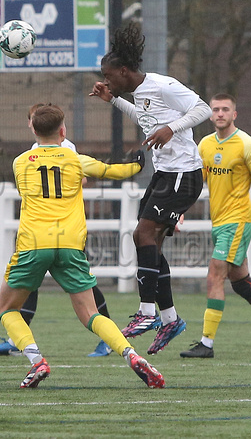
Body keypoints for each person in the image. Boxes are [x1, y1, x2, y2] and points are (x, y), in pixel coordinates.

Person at [0, 103, 164, 388]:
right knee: (91, 314)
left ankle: (37, 361)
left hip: (34, 243)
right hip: (70, 244)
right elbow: (110, 171)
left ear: (33, 129)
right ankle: (130, 354)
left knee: (7, 309)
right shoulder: (75, 159)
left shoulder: (20, 162)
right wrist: (137, 163)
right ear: (63, 131)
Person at [89, 22, 212, 355]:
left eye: (109, 76)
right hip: (165, 174)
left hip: (184, 174)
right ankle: (170, 318)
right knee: (146, 240)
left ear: (125, 71)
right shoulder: (137, 92)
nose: (106, 79)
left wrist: (172, 128)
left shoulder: (163, 85)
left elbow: (204, 108)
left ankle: (147, 313)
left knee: (144, 235)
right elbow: (144, 119)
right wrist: (112, 99)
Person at [0, 103, 115, 358]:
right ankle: (17, 339)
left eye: (33, 119)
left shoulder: (66, 148)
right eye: (30, 119)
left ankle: (106, 339)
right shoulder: (32, 153)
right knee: (29, 282)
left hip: (64, 228)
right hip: (40, 228)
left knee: (83, 285)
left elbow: (81, 179)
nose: (32, 123)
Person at [179, 94, 251, 359]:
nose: (220, 114)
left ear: (235, 114)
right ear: (210, 114)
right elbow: (196, 183)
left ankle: (206, 344)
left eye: (225, 109)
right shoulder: (205, 145)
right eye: (216, 109)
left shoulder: (247, 144)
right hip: (219, 223)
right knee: (241, 282)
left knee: (214, 276)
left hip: (238, 221)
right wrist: (180, 211)